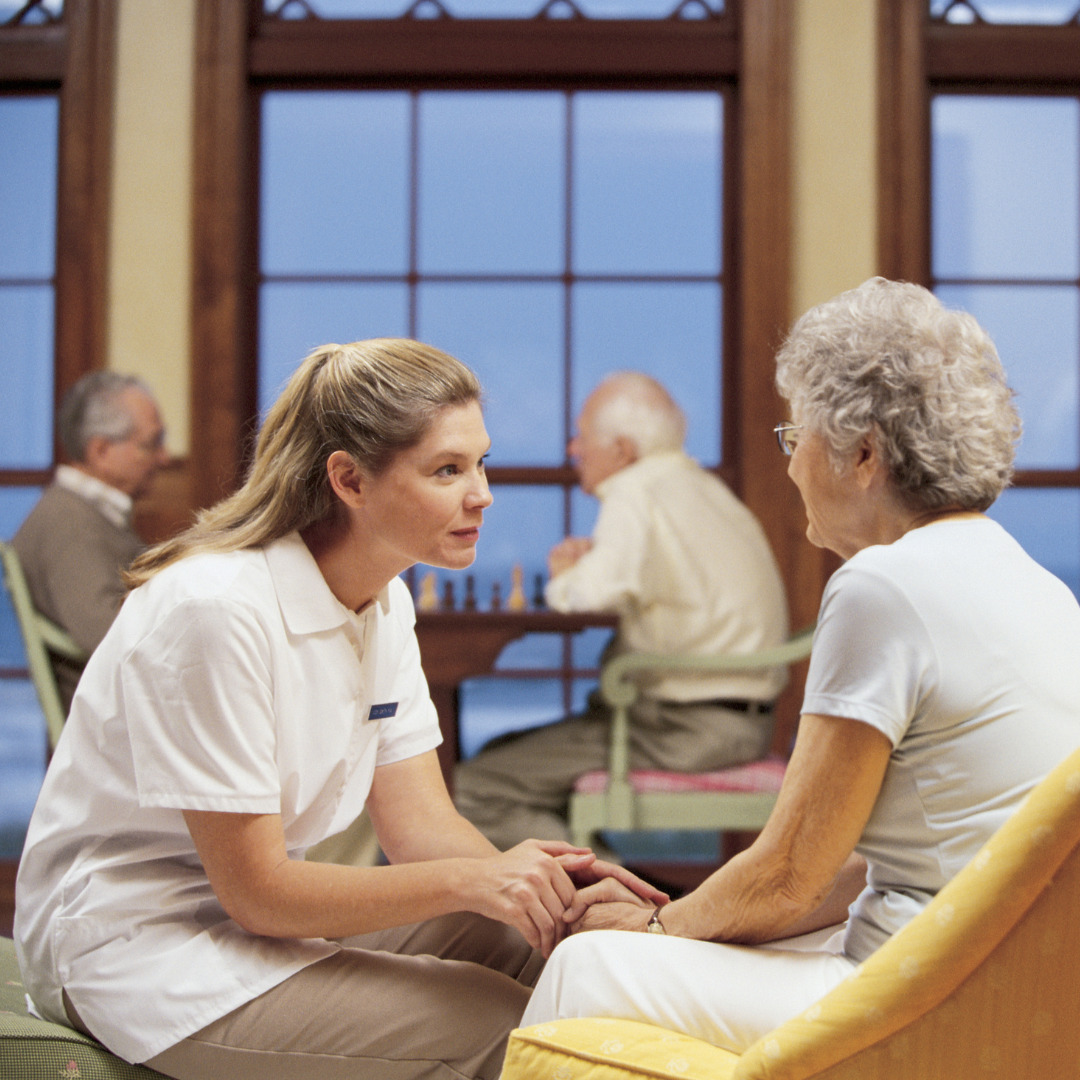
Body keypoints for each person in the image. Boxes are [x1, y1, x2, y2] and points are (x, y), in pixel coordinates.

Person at [14, 340, 664, 1080]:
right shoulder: (215, 609)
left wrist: (548, 895)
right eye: (448, 470)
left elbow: (422, 828)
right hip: (140, 950)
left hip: (247, 923)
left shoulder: (384, 602)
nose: (482, 493)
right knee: (500, 1023)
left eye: (480, 463)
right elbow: (259, 892)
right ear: (349, 480)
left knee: (556, 950)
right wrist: (478, 883)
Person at [519, 278, 1080, 1052]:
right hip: (1003, 982)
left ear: (861, 453)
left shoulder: (884, 587)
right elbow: (850, 863)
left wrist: (656, 923)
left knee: (588, 966)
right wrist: (683, 928)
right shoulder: (1037, 585)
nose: (789, 468)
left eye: (796, 439)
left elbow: (790, 873)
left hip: (916, 987)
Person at [455, 371, 789, 850]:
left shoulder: (636, 491)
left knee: (471, 787)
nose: (573, 449)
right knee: (500, 754)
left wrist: (565, 570)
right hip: (737, 722)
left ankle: (613, 899)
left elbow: (582, 597)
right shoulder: (701, 488)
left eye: (582, 436)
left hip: (681, 728)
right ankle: (630, 890)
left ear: (623, 450)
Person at [12, 371, 168, 710]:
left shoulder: (87, 514)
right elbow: (105, 632)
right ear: (100, 450)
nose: (164, 458)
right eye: (151, 444)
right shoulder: (68, 523)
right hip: (113, 720)